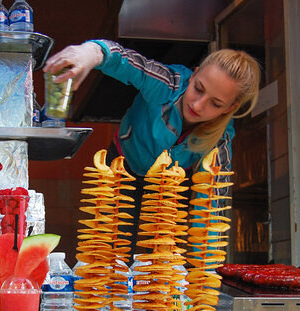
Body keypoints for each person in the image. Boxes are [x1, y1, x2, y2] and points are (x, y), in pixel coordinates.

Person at [43, 40, 261, 254]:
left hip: (171, 186)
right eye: (198, 88)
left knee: (163, 261)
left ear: (230, 108)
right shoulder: (167, 84)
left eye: (215, 103)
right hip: (121, 169)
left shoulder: (221, 138)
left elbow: (211, 206)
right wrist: (90, 53)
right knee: (108, 253)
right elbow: (128, 62)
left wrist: (206, 268)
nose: (197, 105)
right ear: (193, 75)